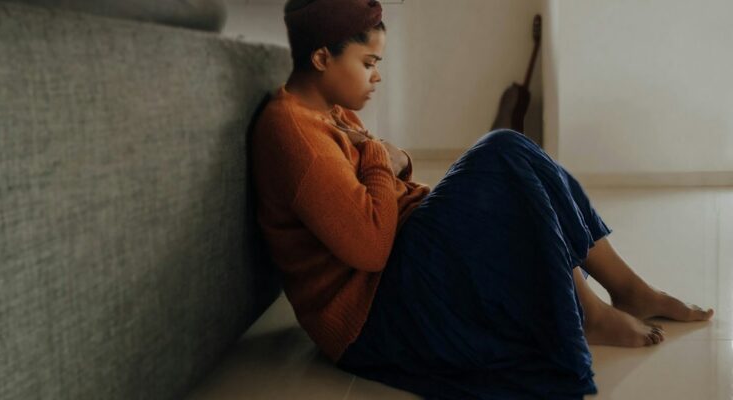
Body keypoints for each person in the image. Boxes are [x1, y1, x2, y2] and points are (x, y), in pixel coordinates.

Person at [249, 0, 715, 398]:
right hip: (370, 313)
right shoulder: (294, 133)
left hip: (396, 263)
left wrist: (393, 162)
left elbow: (384, 176)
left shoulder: (328, 109)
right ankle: (588, 313)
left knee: (509, 153)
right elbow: (369, 247)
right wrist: (376, 153)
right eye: (368, 63)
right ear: (321, 58)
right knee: (501, 151)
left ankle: (627, 290)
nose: (377, 78)